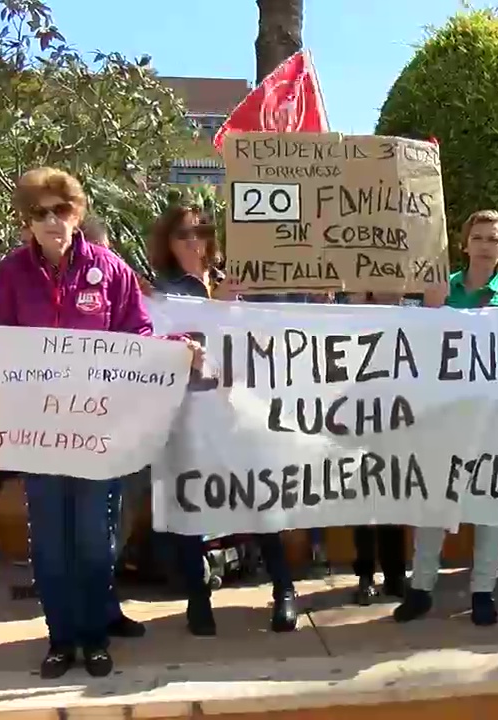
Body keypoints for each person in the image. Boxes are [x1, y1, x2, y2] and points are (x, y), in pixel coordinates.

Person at [0, 168, 201, 678]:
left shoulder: (110, 270)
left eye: (60, 210)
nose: (51, 221)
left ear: (77, 213)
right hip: (38, 434)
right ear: (27, 222)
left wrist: (173, 352)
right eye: (39, 213)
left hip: (97, 434)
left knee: (94, 538)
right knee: (49, 541)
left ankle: (95, 636)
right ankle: (60, 638)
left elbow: (137, 335)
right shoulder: (11, 273)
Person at [145, 204, 299, 635]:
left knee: (260, 501)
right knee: (189, 503)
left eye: (201, 231)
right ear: (168, 244)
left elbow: (273, 339)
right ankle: (198, 598)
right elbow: (162, 350)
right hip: (190, 416)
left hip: (242, 413)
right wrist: (217, 311)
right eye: (183, 234)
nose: (194, 241)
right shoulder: (164, 293)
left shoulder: (241, 281)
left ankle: (284, 590)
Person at [393, 209, 498, 627]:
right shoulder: (439, 288)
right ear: (464, 243)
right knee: (433, 502)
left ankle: (483, 590)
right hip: (444, 411)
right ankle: (421, 588)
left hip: (493, 412)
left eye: (494, 239)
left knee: (489, 503)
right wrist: (432, 311)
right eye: (479, 237)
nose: (486, 245)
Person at [350, 291, 414, 606]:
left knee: (394, 496)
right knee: (363, 499)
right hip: (357, 415)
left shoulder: (416, 311)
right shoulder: (351, 311)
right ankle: (365, 574)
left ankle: (395, 574)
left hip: (400, 415)